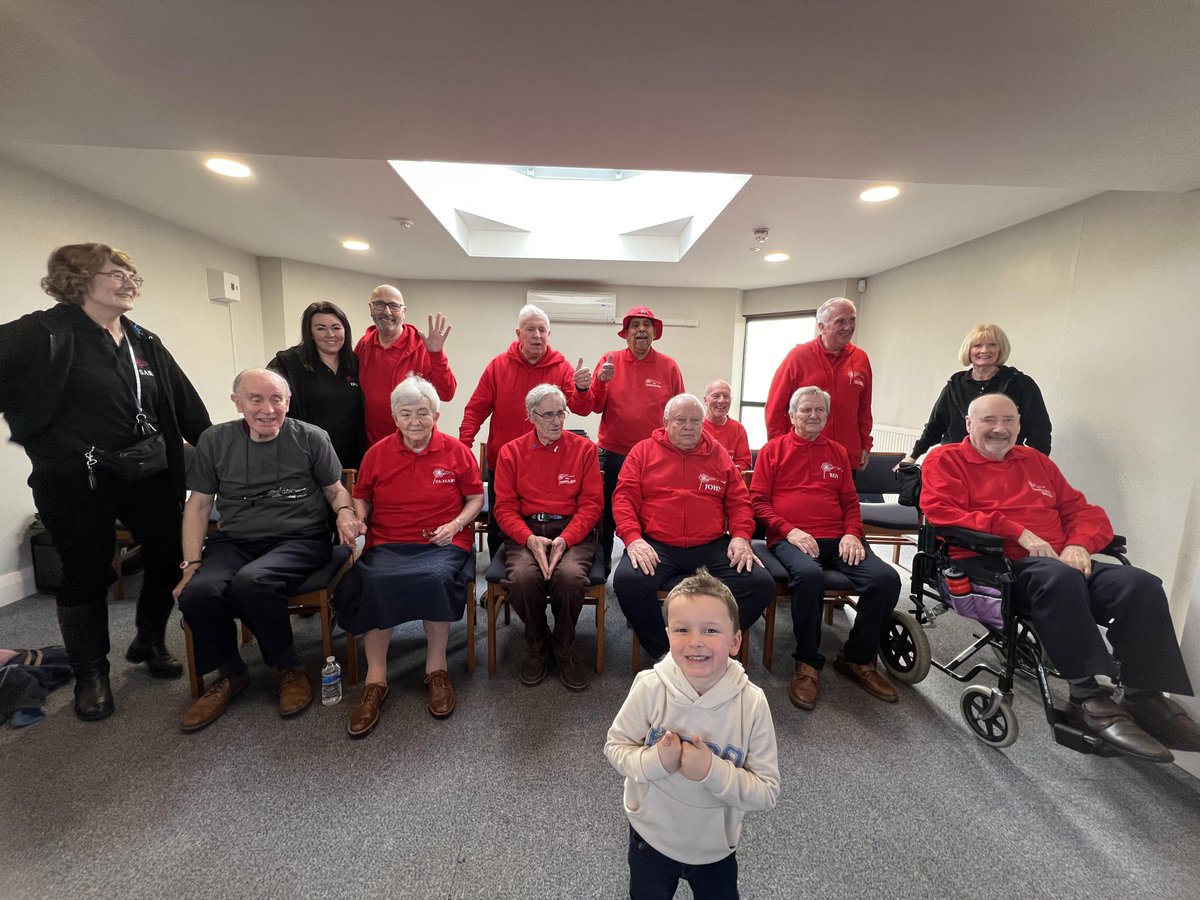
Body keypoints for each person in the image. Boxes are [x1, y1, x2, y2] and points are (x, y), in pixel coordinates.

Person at [921, 393, 1200, 762]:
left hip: (1059, 561)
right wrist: (1015, 530)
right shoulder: (947, 459)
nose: (1000, 429)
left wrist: (1080, 545)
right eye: (989, 420)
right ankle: (1086, 696)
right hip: (991, 564)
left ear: (1019, 425)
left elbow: (1081, 510)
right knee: (1059, 579)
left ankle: (1143, 694)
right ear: (969, 425)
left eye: (1009, 420)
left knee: (1140, 584)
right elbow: (941, 513)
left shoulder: (1035, 461)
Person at [0, 243, 211, 721]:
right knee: (86, 573)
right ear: (77, 280)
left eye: (131, 274)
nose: (128, 282)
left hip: (148, 472)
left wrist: (225, 453)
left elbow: (185, 405)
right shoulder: (41, 334)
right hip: (77, 478)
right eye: (115, 273)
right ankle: (91, 673)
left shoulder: (143, 340)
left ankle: (150, 639)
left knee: (167, 559)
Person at [173, 368, 364, 733]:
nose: (268, 409)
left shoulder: (311, 437)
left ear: (288, 402)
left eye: (277, 399)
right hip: (235, 540)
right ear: (237, 403)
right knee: (197, 592)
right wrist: (191, 564)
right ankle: (231, 672)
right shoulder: (215, 441)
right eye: (256, 399)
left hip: (301, 538)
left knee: (253, 581)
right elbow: (197, 506)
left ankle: (288, 667)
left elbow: (335, 488)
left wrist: (343, 512)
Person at [605, 569, 780, 900]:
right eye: (682, 629)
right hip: (649, 838)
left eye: (711, 630)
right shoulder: (650, 686)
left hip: (714, 850)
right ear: (668, 633)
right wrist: (654, 761)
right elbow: (615, 748)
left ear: (735, 640)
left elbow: (767, 792)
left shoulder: (752, 703)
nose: (695, 640)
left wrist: (712, 772)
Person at [335, 376, 483, 735]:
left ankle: (436, 669)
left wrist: (456, 523)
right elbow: (363, 495)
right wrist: (360, 518)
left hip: (442, 543)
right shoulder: (377, 453)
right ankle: (376, 679)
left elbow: (476, 498)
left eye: (422, 413)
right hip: (388, 541)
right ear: (394, 416)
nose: (415, 421)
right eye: (406, 414)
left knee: (435, 579)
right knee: (372, 579)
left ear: (436, 413)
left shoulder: (456, 451)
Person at [750, 386, 900, 711]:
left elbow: (849, 502)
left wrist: (852, 533)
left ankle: (858, 659)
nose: (814, 415)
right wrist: (789, 531)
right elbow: (758, 503)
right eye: (806, 410)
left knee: (886, 580)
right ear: (791, 415)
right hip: (792, 539)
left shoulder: (837, 452)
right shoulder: (772, 451)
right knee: (809, 576)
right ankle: (807, 663)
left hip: (839, 538)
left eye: (820, 410)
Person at [612, 394, 773, 662]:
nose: (689, 426)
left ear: (703, 423)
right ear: (665, 422)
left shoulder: (718, 453)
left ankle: (715, 646)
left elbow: (739, 501)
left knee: (759, 584)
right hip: (658, 545)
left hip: (710, 545)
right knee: (628, 582)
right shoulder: (642, 452)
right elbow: (623, 500)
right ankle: (666, 655)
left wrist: (741, 537)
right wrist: (633, 539)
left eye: (695, 421)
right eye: (681, 420)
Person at [459, 305, 594, 556]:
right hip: (504, 460)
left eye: (542, 330)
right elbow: (476, 409)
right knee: (501, 522)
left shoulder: (562, 367)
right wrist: (463, 444)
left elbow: (580, 408)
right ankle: (498, 581)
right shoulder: (498, 366)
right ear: (518, 333)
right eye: (530, 329)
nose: (537, 335)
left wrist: (583, 389)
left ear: (549, 334)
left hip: (546, 463)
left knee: (537, 521)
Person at [492, 384, 602, 691]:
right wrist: (528, 539)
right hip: (525, 530)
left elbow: (592, 504)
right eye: (548, 415)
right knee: (524, 579)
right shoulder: (511, 452)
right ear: (531, 416)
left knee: (569, 577)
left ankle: (564, 646)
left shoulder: (584, 450)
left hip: (571, 530)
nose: (557, 421)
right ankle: (537, 643)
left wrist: (566, 539)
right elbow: (504, 508)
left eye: (561, 413)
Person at [590, 306, 685, 570]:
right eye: (635, 325)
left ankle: (649, 568)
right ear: (626, 333)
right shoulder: (610, 360)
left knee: (651, 513)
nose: (641, 330)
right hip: (612, 454)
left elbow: (679, 413)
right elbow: (594, 406)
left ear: (655, 332)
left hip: (654, 455)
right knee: (606, 515)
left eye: (646, 325)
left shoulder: (669, 366)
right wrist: (598, 382)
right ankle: (602, 568)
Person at [901, 323, 1051, 465]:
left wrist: (1037, 466)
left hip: (1002, 465)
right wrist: (913, 456)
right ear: (969, 350)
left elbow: (1040, 430)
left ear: (1001, 349)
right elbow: (935, 426)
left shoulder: (1021, 384)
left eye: (992, 344)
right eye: (977, 345)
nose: (984, 350)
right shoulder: (955, 385)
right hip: (957, 464)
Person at [763, 297, 872, 469]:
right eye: (840, 322)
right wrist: (780, 447)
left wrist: (866, 443)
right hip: (802, 454)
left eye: (852, 320)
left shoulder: (861, 359)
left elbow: (864, 408)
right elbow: (775, 407)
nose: (848, 327)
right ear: (822, 327)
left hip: (845, 455)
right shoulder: (798, 357)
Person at [267, 301, 366, 469]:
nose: (330, 334)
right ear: (310, 333)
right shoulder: (288, 363)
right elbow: (269, 402)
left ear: (345, 331)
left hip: (351, 461)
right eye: (321, 328)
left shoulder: (355, 363)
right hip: (306, 459)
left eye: (336, 327)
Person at [354, 284, 456, 446]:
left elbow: (447, 393)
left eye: (394, 306)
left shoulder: (422, 347)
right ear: (371, 309)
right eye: (380, 304)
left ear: (404, 311)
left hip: (415, 444)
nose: (387, 312)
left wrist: (437, 355)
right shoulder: (364, 345)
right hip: (372, 445)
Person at [701, 379, 751, 472]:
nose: (721, 400)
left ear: (731, 400)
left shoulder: (738, 429)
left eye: (726, 396)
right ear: (705, 400)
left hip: (727, 481)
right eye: (716, 396)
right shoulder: (696, 427)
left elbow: (744, 464)